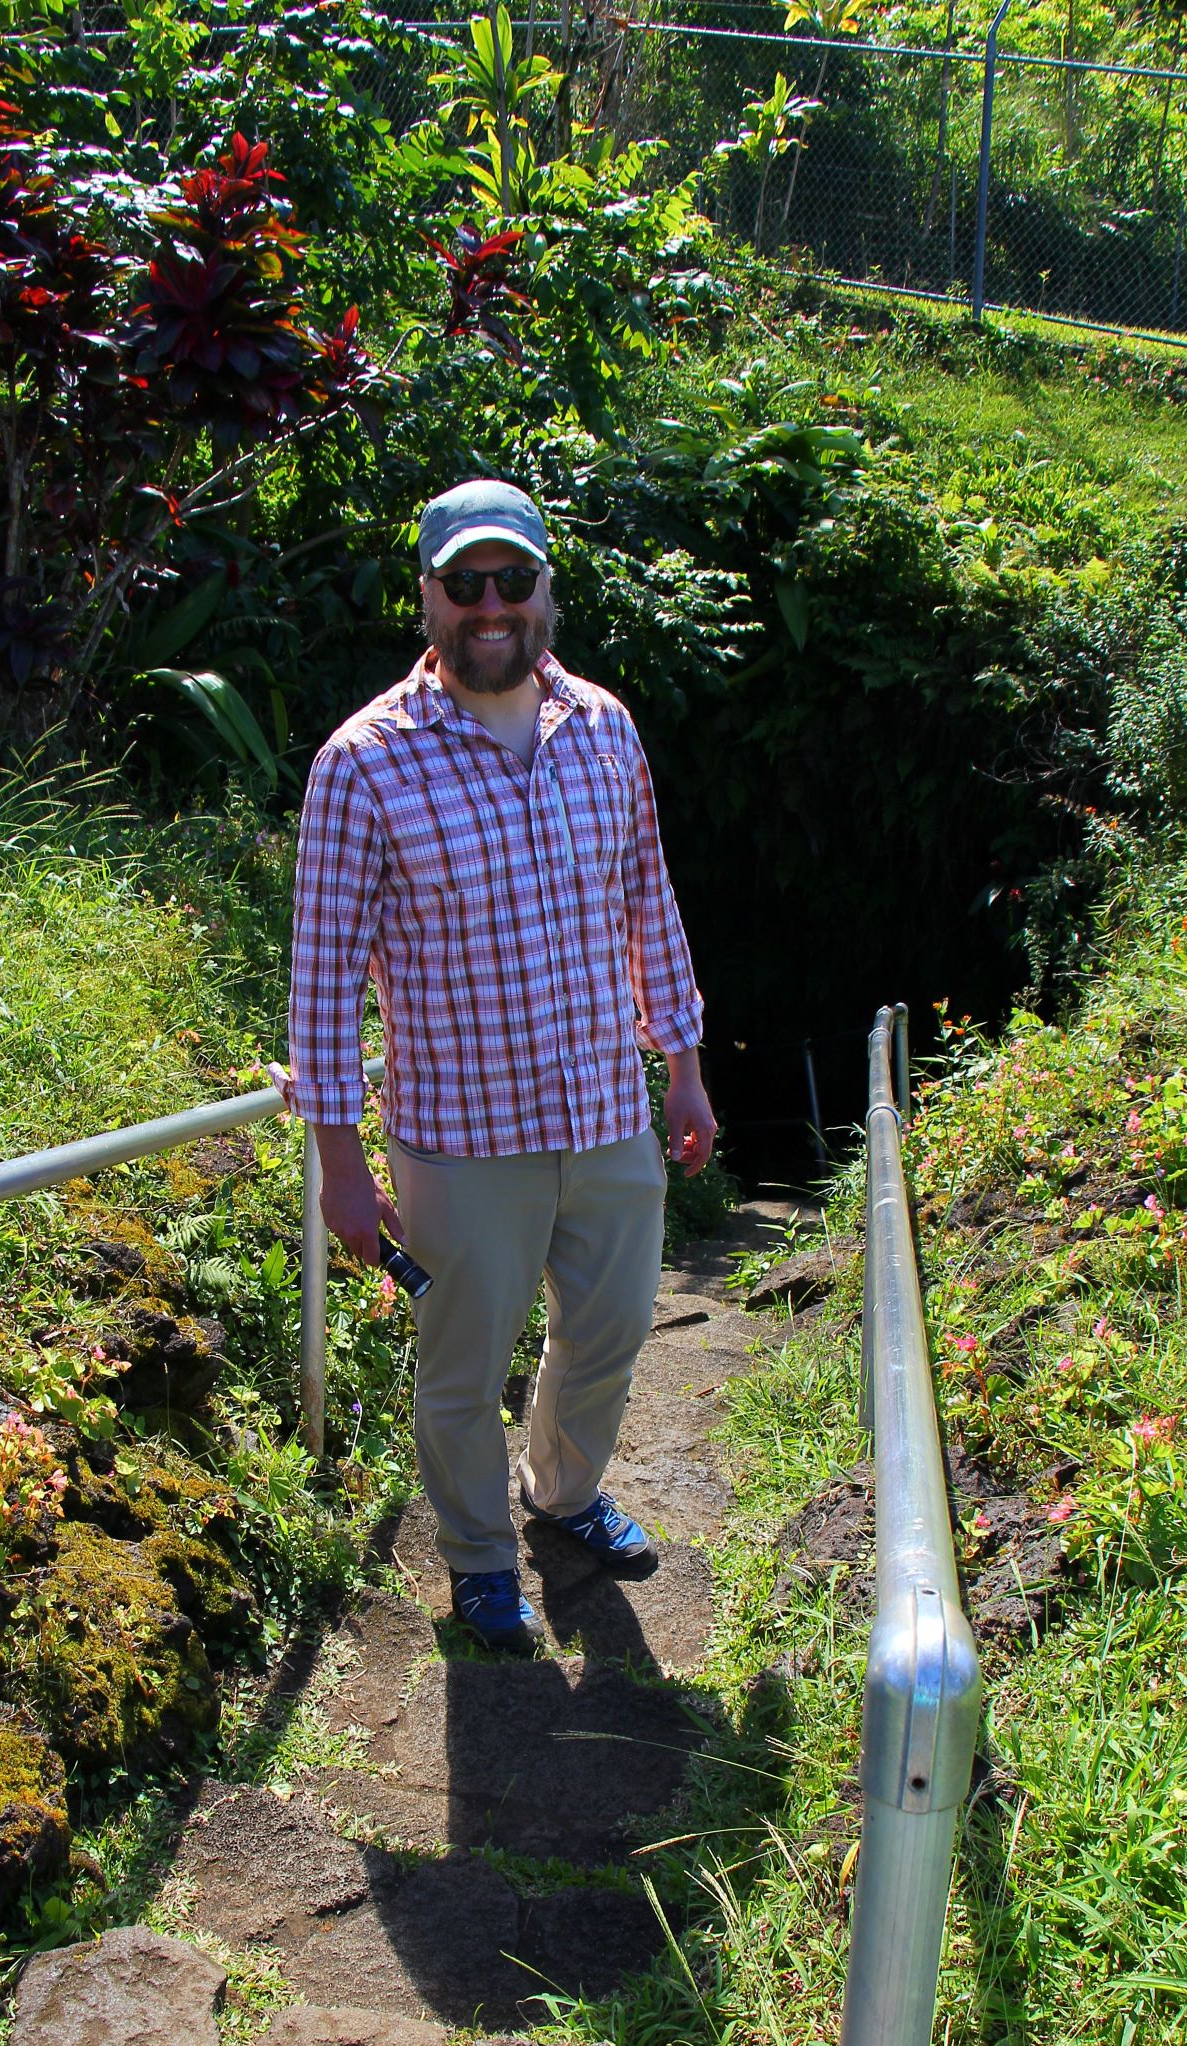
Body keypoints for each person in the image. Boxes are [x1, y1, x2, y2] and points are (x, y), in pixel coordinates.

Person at [288, 478, 716, 1654]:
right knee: (461, 1370)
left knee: (610, 1333)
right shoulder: (363, 763)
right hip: (460, 1140)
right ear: (427, 598)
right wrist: (339, 1164)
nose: (491, 604)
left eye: (512, 579)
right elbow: (322, 978)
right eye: (464, 583)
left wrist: (681, 1064)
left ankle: (563, 1495)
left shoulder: (604, 728)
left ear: (545, 590)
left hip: (605, 1108)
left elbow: (647, 901)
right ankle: (478, 1559)